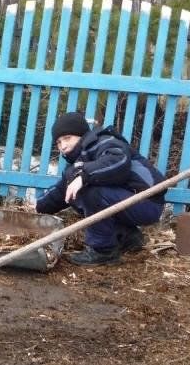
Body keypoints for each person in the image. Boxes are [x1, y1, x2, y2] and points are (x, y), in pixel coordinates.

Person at [36, 112, 166, 266]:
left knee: (90, 192)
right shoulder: (77, 164)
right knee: (78, 192)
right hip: (130, 203)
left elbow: (118, 161)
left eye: (67, 138)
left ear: (81, 135)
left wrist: (84, 176)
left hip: (146, 201)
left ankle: (103, 251)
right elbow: (61, 191)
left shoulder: (103, 142)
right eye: (58, 142)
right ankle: (126, 236)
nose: (63, 146)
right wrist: (38, 206)